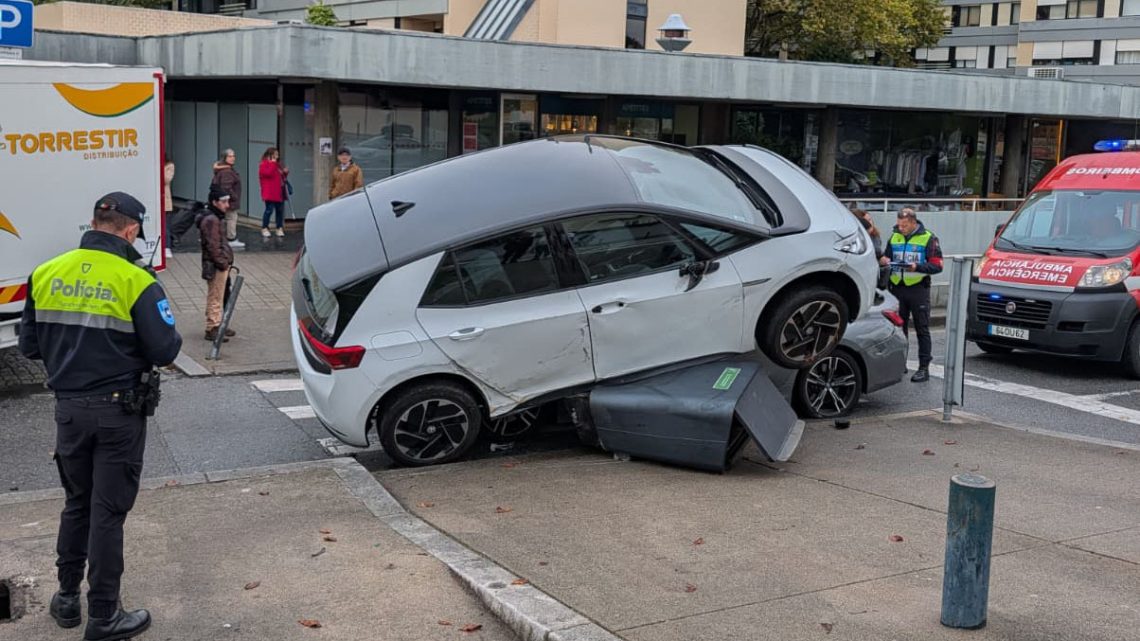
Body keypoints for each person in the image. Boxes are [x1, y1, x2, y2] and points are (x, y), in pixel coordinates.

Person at [18, 192, 182, 641]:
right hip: (118, 413)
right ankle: (105, 616)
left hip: (68, 411)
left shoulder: (45, 272)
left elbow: (30, 347)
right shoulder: (135, 280)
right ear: (131, 230)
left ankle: (67, 598)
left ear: (94, 223)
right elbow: (166, 349)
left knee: (77, 503)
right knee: (108, 513)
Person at [880, 207, 943, 382]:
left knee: (922, 328)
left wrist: (917, 267)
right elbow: (887, 257)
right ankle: (901, 364)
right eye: (899, 225)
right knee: (899, 329)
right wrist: (884, 260)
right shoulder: (894, 236)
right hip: (897, 287)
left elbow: (937, 266)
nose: (901, 228)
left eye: (905, 225)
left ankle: (924, 368)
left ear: (914, 223)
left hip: (918, 289)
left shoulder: (928, 238)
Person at [196, 187, 237, 342]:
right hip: (216, 265)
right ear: (215, 202)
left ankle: (217, 324)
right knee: (216, 295)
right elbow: (213, 246)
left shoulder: (213, 218)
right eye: (224, 201)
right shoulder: (212, 220)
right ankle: (212, 327)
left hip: (216, 263)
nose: (227, 205)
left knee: (219, 294)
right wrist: (223, 262)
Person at [210, 149, 244, 249]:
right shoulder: (227, 171)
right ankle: (231, 239)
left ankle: (218, 237)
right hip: (228, 201)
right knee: (231, 218)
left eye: (233, 156)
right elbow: (226, 187)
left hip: (223, 200)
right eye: (230, 156)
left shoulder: (223, 169)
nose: (233, 158)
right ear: (225, 158)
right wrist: (234, 197)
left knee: (223, 218)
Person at [258, 147, 289, 238]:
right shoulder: (264, 164)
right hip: (270, 192)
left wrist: (285, 172)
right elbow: (268, 174)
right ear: (270, 155)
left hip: (279, 191)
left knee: (280, 210)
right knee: (269, 210)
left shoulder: (277, 164)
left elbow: (281, 176)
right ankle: (265, 227)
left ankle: (279, 227)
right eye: (275, 154)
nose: (277, 156)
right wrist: (272, 163)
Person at [163, 159, 175, 258]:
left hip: (165, 201)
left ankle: (167, 247)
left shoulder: (169, 165)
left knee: (165, 225)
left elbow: (166, 179)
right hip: (155, 200)